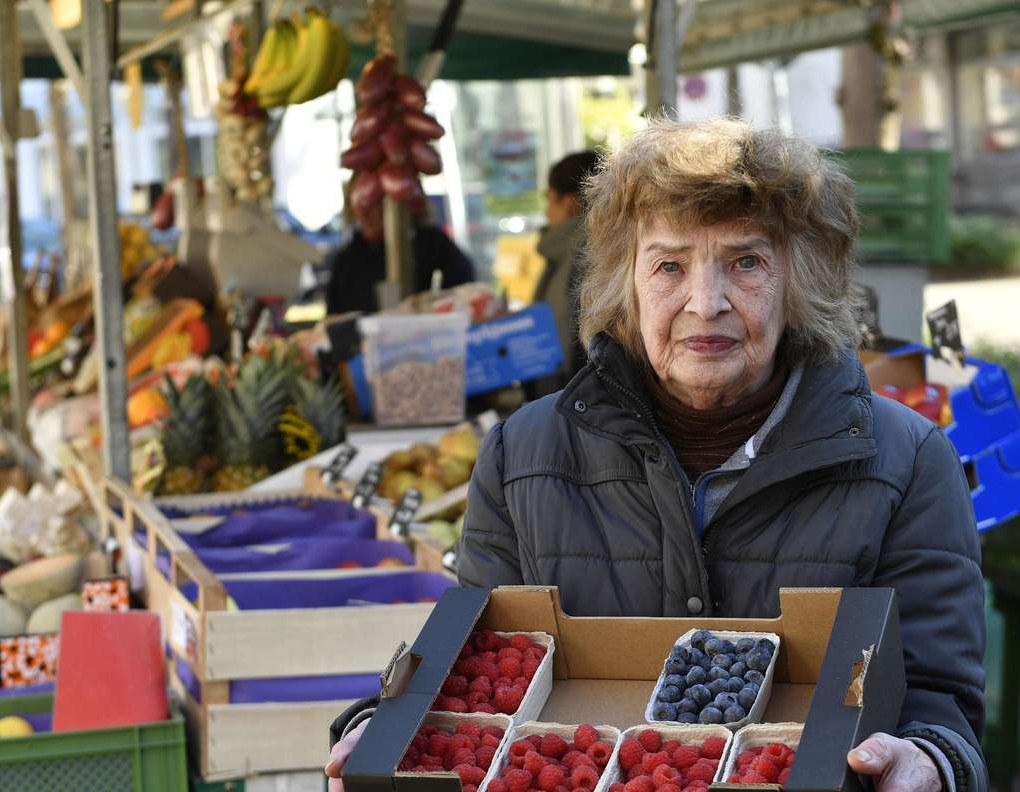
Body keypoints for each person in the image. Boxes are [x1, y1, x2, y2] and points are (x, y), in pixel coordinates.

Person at [327, 120, 986, 792]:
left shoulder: (908, 461)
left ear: (799, 279)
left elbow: (940, 702)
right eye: (670, 266)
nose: (706, 303)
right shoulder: (521, 455)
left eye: (746, 262)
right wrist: (388, 728)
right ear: (627, 283)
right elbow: (481, 676)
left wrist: (931, 761)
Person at [323, 196, 476, 315]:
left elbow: (465, 294)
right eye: (363, 204)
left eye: (378, 204)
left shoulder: (434, 244)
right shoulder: (347, 259)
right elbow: (334, 315)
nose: (371, 212)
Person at [531, 150, 601, 388]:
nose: (546, 213)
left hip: (572, 395)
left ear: (570, 204)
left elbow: (566, 342)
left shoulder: (583, 254)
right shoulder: (567, 253)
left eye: (549, 200)